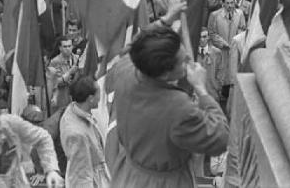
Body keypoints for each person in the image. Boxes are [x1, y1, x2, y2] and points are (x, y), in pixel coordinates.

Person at [106, 26, 228, 187]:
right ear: (165, 74)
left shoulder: (124, 70)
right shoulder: (177, 107)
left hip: (127, 175)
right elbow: (220, 138)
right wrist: (201, 90)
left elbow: (138, 45)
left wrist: (168, 18)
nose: (188, 63)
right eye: (183, 61)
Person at [60, 76, 110, 188]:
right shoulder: (77, 134)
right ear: (90, 98)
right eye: (99, 93)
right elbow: (80, 176)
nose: (100, 97)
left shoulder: (73, 110)